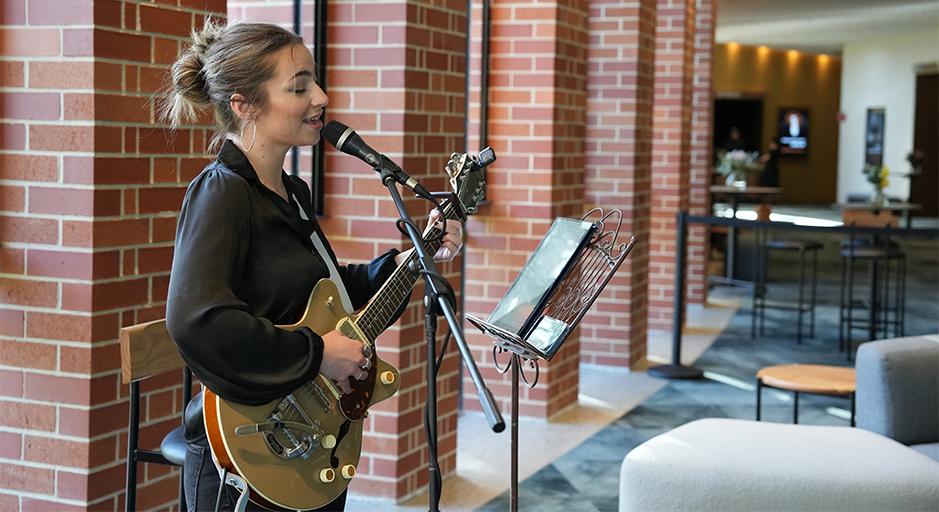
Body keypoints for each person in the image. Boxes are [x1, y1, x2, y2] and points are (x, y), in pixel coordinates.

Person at [161, 20, 463, 512]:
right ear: (244, 105)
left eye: (315, 81)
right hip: (250, 452)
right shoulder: (222, 193)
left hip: (311, 435)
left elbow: (332, 293)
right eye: (300, 86)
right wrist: (316, 353)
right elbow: (198, 322)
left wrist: (413, 258)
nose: (320, 97)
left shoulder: (290, 192)